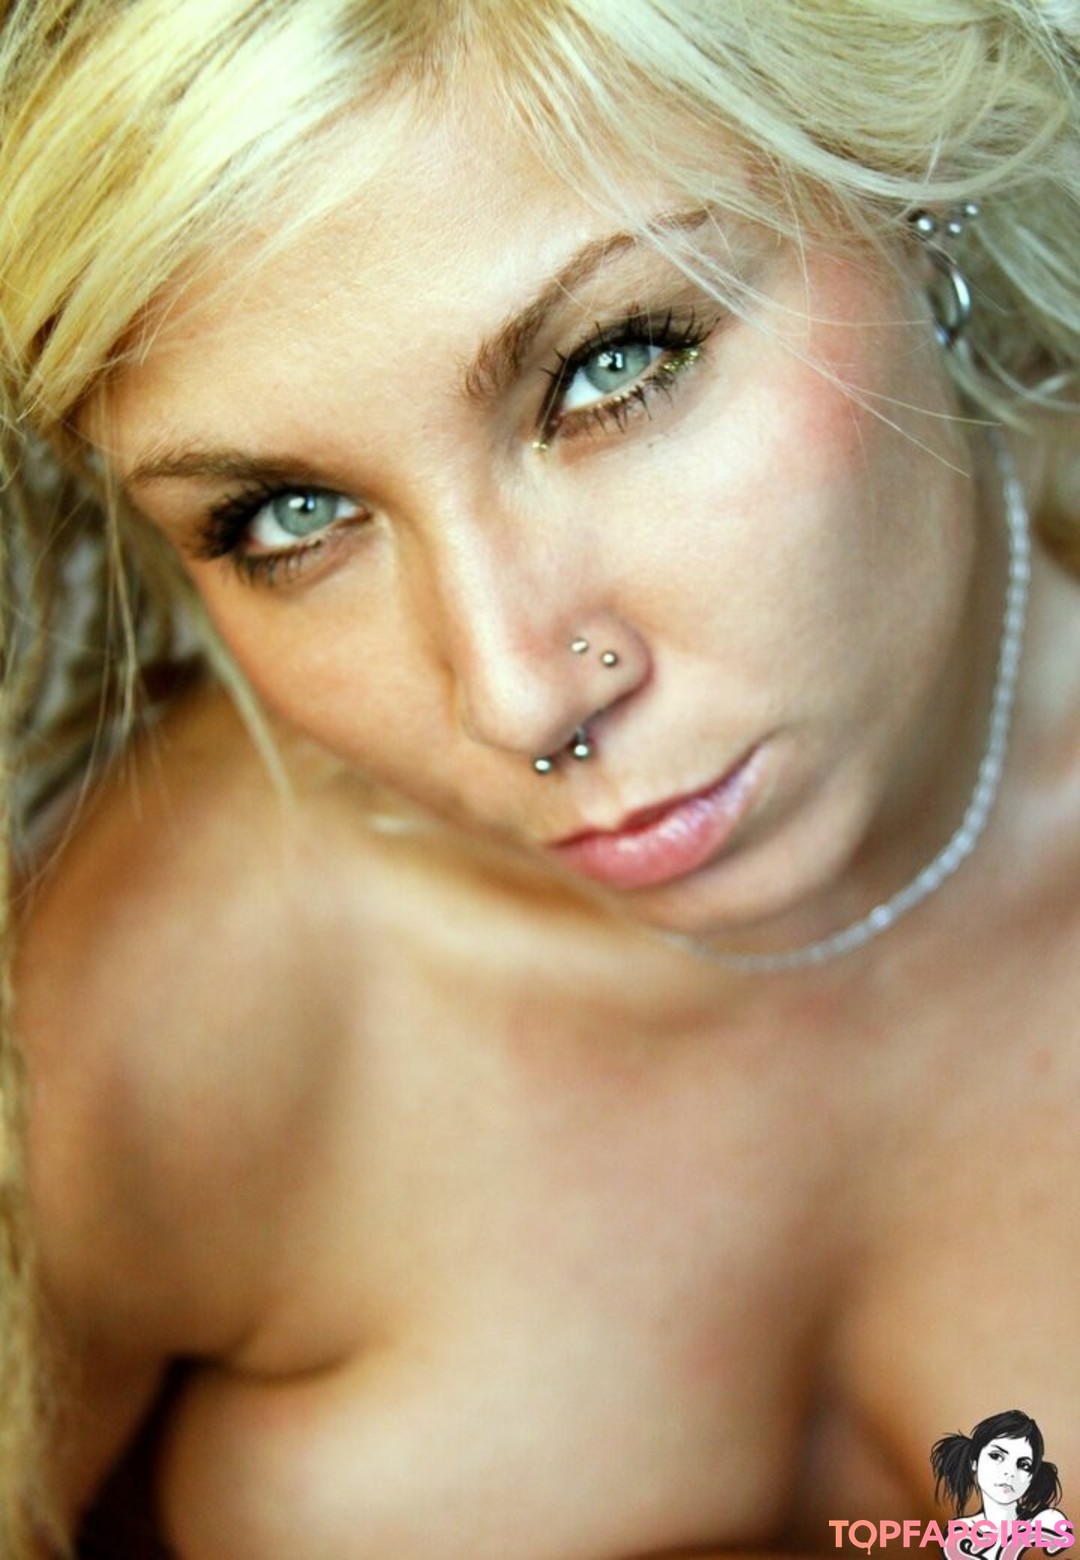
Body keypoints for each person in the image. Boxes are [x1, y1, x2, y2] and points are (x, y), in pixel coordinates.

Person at [1, 1, 1079, 1556]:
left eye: (613, 367)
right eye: (290, 516)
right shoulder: (184, 1005)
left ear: (915, 183)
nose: (517, 695)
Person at [932, 1411, 1070, 1560]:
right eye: (996, 1456)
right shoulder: (960, 1532)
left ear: (1032, 1477)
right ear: (974, 1462)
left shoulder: (1046, 1521)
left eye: (1024, 1465)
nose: (1010, 1472)